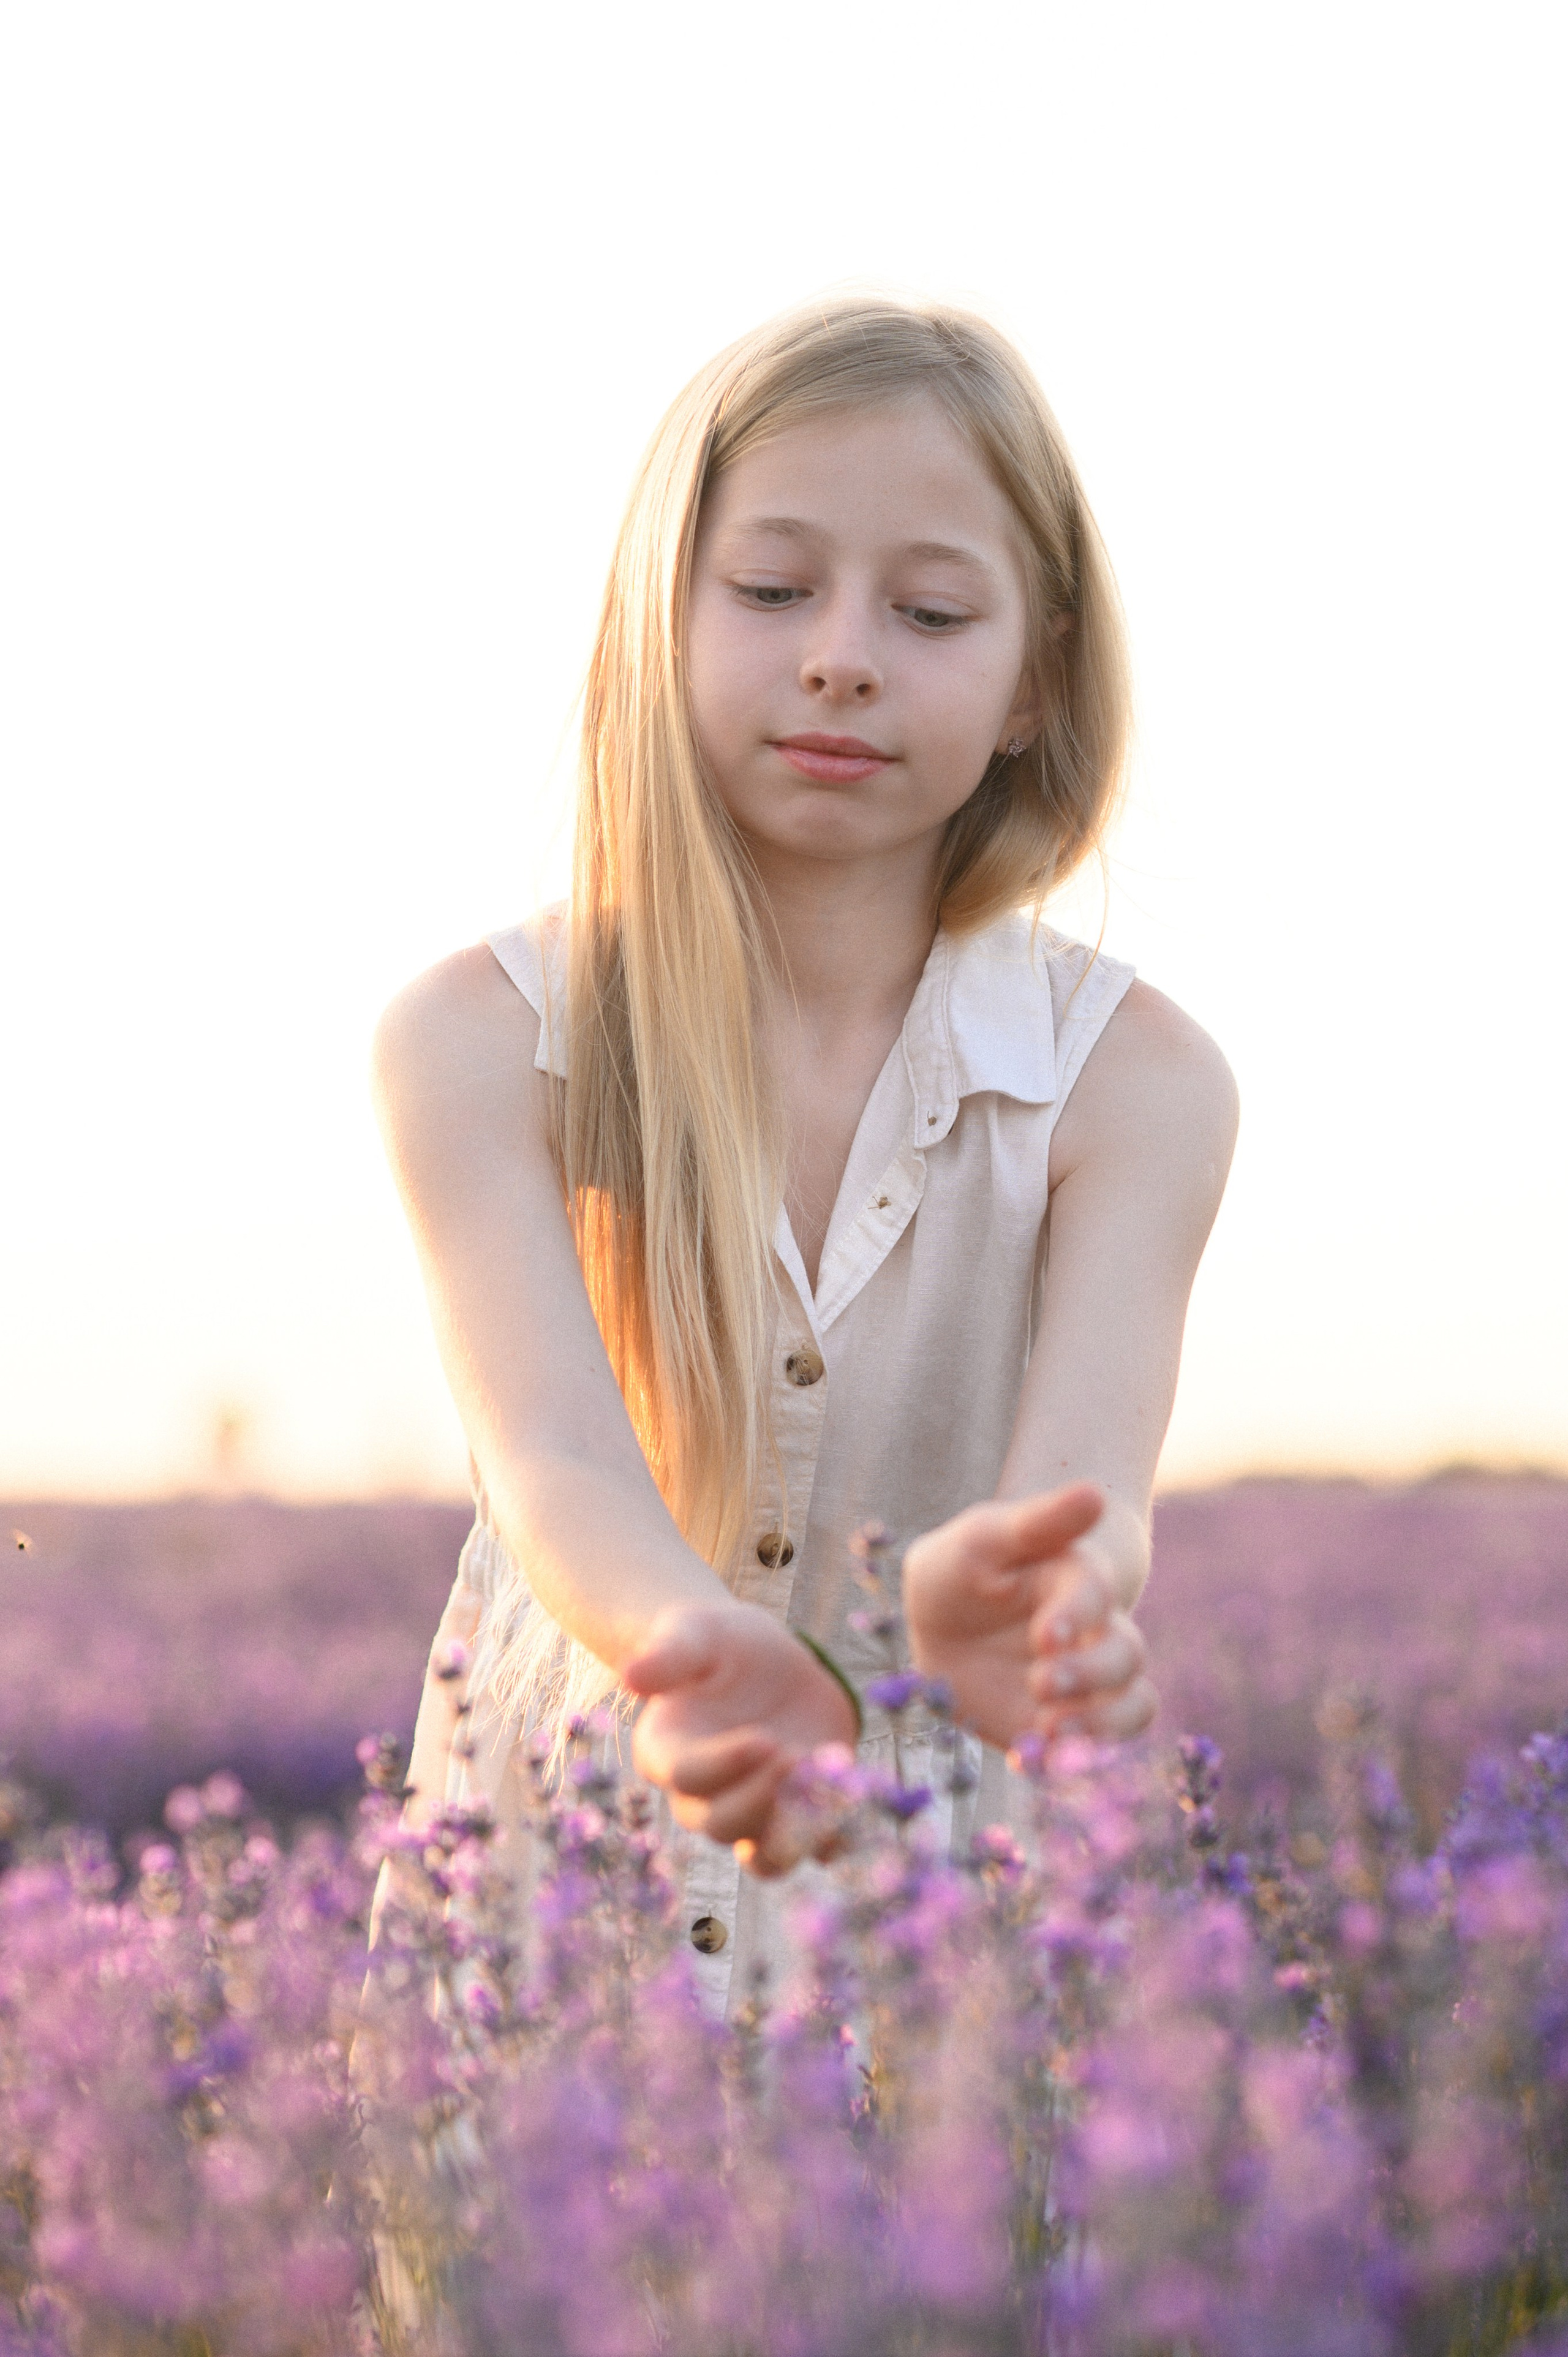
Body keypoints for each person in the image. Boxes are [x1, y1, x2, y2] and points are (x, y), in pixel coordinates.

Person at [372, 296, 1238, 2010]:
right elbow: (549, 1458)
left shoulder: (1131, 1082)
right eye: (773, 591)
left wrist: (1045, 1606)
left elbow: (1089, 1484)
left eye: (928, 612)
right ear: (661, 616)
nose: (843, 653)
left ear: (1031, 681)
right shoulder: (484, 1040)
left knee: (948, 2276)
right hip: (567, 1877)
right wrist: (690, 1649)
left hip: (951, 1886)